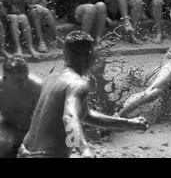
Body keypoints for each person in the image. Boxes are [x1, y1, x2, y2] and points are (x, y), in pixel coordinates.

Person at [19, 31, 148, 158]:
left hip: (25, 152)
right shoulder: (78, 84)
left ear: (65, 53)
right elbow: (69, 117)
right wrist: (84, 150)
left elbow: (86, 115)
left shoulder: (51, 79)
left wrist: (128, 123)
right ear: (90, 54)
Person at [0, 56, 42, 158]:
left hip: (33, 130)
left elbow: (48, 115)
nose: (24, 83)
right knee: (3, 143)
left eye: (26, 77)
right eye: (19, 80)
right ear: (5, 77)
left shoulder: (37, 87)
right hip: (9, 128)